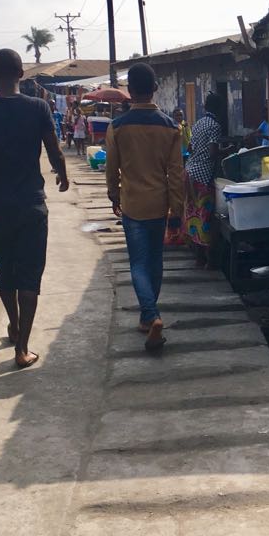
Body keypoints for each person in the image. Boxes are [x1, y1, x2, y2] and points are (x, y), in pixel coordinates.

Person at [0, 49, 69, 369]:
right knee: (29, 277)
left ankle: (12, 325)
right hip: (31, 204)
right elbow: (54, 149)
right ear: (21, 74)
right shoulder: (38, 107)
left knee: (7, 271)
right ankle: (22, 348)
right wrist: (62, 173)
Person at [105, 63, 186, 353]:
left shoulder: (117, 127)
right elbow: (176, 173)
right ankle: (146, 316)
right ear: (154, 89)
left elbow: (111, 167)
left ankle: (151, 315)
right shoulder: (170, 127)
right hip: (159, 202)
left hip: (132, 204)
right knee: (155, 261)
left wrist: (113, 195)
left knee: (138, 263)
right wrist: (177, 208)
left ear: (129, 91)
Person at [183, 92, 225, 268]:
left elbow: (190, 148)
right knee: (206, 216)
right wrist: (228, 150)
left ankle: (198, 257)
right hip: (203, 177)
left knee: (193, 214)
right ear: (219, 109)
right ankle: (209, 261)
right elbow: (213, 152)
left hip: (189, 172)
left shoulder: (199, 123)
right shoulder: (215, 125)